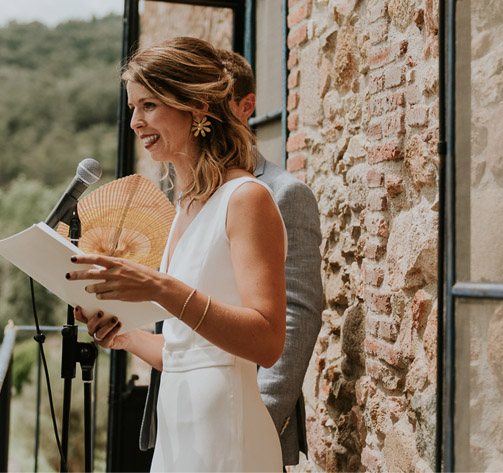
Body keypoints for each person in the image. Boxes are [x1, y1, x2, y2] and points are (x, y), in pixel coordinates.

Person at [67, 36, 286, 471]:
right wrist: (122, 336)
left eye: (148, 106)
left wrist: (158, 286)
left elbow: (267, 340)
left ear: (197, 106)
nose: (134, 122)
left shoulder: (246, 198)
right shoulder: (185, 206)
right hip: (178, 420)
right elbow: (185, 351)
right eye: (133, 107)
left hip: (226, 425)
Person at [219, 49, 323, 467]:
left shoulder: (284, 194)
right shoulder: (188, 195)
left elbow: (298, 313)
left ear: (246, 106)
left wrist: (256, 420)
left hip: (246, 425)